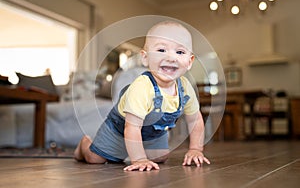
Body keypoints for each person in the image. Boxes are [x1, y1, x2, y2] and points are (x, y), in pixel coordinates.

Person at [74, 20, 210, 171]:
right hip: (121, 127)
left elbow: (195, 120)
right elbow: (131, 126)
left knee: (160, 157)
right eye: (161, 50)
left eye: (180, 52)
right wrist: (139, 159)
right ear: (145, 58)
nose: (171, 58)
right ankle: (84, 144)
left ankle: (137, 150)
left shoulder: (185, 87)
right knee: (95, 159)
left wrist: (196, 149)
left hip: (153, 132)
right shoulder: (142, 87)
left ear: (189, 61)